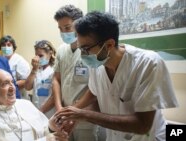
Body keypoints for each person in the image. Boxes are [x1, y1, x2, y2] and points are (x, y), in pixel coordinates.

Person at [55, 11, 179, 141]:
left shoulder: (148, 63)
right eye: (81, 49)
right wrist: (75, 117)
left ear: (109, 45)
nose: (83, 55)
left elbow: (142, 125)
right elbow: (97, 97)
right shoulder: (97, 65)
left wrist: (84, 115)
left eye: (86, 49)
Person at [0, 69, 68, 141]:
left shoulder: (26, 105)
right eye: (5, 84)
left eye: (12, 82)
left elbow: (44, 132)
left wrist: (50, 127)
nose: (13, 88)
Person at [52, 5, 97, 141]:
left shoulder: (91, 49)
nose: (64, 32)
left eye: (67, 28)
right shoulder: (61, 50)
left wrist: (73, 110)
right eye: (60, 29)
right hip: (63, 116)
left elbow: (96, 86)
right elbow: (56, 80)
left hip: (85, 117)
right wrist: (60, 108)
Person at [25, 40, 56, 118]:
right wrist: (34, 69)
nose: (37, 58)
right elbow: (27, 87)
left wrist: (40, 111)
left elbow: (55, 96)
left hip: (50, 113)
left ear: (49, 54)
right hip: (36, 111)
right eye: (36, 55)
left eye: (41, 55)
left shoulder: (55, 70)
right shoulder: (36, 70)